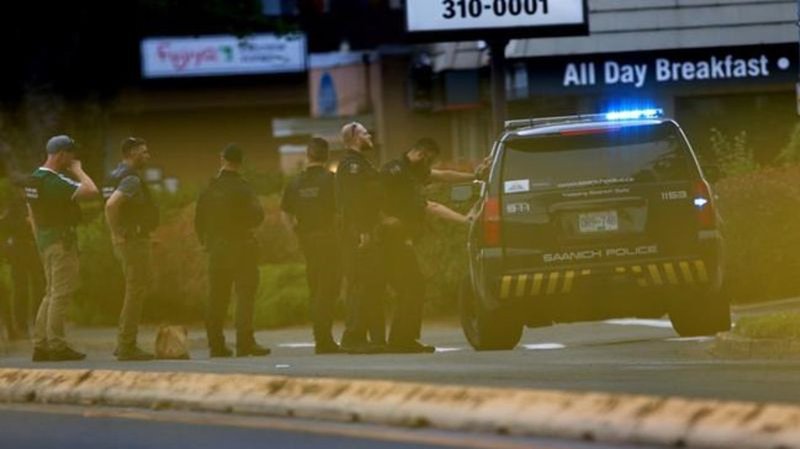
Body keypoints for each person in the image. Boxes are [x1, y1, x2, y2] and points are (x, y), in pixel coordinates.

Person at [380, 138, 481, 353]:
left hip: (397, 239)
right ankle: (401, 340)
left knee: (412, 287)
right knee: (411, 286)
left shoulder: (410, 171)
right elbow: (430, 206)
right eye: (429, 160)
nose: (430, 166)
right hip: (390, 239)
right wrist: (465, 220)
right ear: (421, 154)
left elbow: (444, 176)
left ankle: (402, 339)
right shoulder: (399, 174)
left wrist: (475, 176)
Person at [26, 135, 99, 362]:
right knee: (60, 295)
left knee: (50, 294)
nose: (74, 157)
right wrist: (78, 170)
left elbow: (32, 214)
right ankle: (56, 345)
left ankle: (41, 344)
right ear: (61, 155)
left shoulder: (34, 179)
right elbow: (91, 191)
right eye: (71, 153)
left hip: (46, 241)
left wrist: (39, 241)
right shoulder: (54, 182)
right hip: (61, 243)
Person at [195, 144, 269, 358]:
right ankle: (245, 342)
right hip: (242, 246)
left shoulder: (210, 188)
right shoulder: (243, 188)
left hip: (217, 248)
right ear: (240, 163)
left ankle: (216, 344)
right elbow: (258, 216)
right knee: (245, 295)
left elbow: (199, 219)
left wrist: (206, 243)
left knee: (217, 297)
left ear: (222, 159)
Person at [280, 137, 343, 355]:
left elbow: (285, 213)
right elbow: (341, 211)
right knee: (328, 289)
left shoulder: (295, 182)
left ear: (308, 155)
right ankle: (324, 340)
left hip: (307, 241)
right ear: (327, 156)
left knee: (316, 288)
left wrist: (294, 234)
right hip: (329, 239)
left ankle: (320, 337)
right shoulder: (332, 180)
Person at [104, 137, 159, 361]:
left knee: (133, 289)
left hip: (129, 240)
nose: (147, 156)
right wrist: (118, 233)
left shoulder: (113, 175)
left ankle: (123, 342)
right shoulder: (131, 179)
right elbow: (111, 205)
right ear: (133, 153)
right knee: (136, 291)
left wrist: (116, 234)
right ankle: (127, 345)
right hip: (132, 241)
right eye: (144, 152)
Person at [336, 122, 386, 354]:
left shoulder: (362, 163)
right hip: (357, 232)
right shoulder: (351, 166)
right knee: (359, 285)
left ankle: (375, 338)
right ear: (355, 138)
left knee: (373, 284)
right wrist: (363, 231)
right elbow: (354, 200)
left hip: (368, 229)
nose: (369, 136)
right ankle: (353, 337)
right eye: (365, 133)